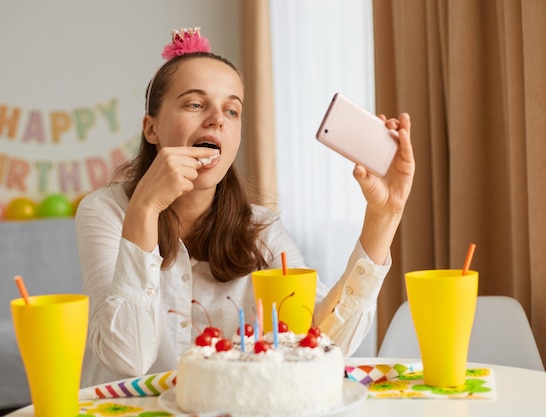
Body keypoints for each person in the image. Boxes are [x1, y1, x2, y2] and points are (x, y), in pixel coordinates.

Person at [75, 27, 415, 387]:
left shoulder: (262, 228)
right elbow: (127, 358)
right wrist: (145, 206)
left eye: (232, 111)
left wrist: (384, 214)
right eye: (195, 104)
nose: (216, 119)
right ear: (151, 128)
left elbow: (323, 341)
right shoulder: (104, 211)